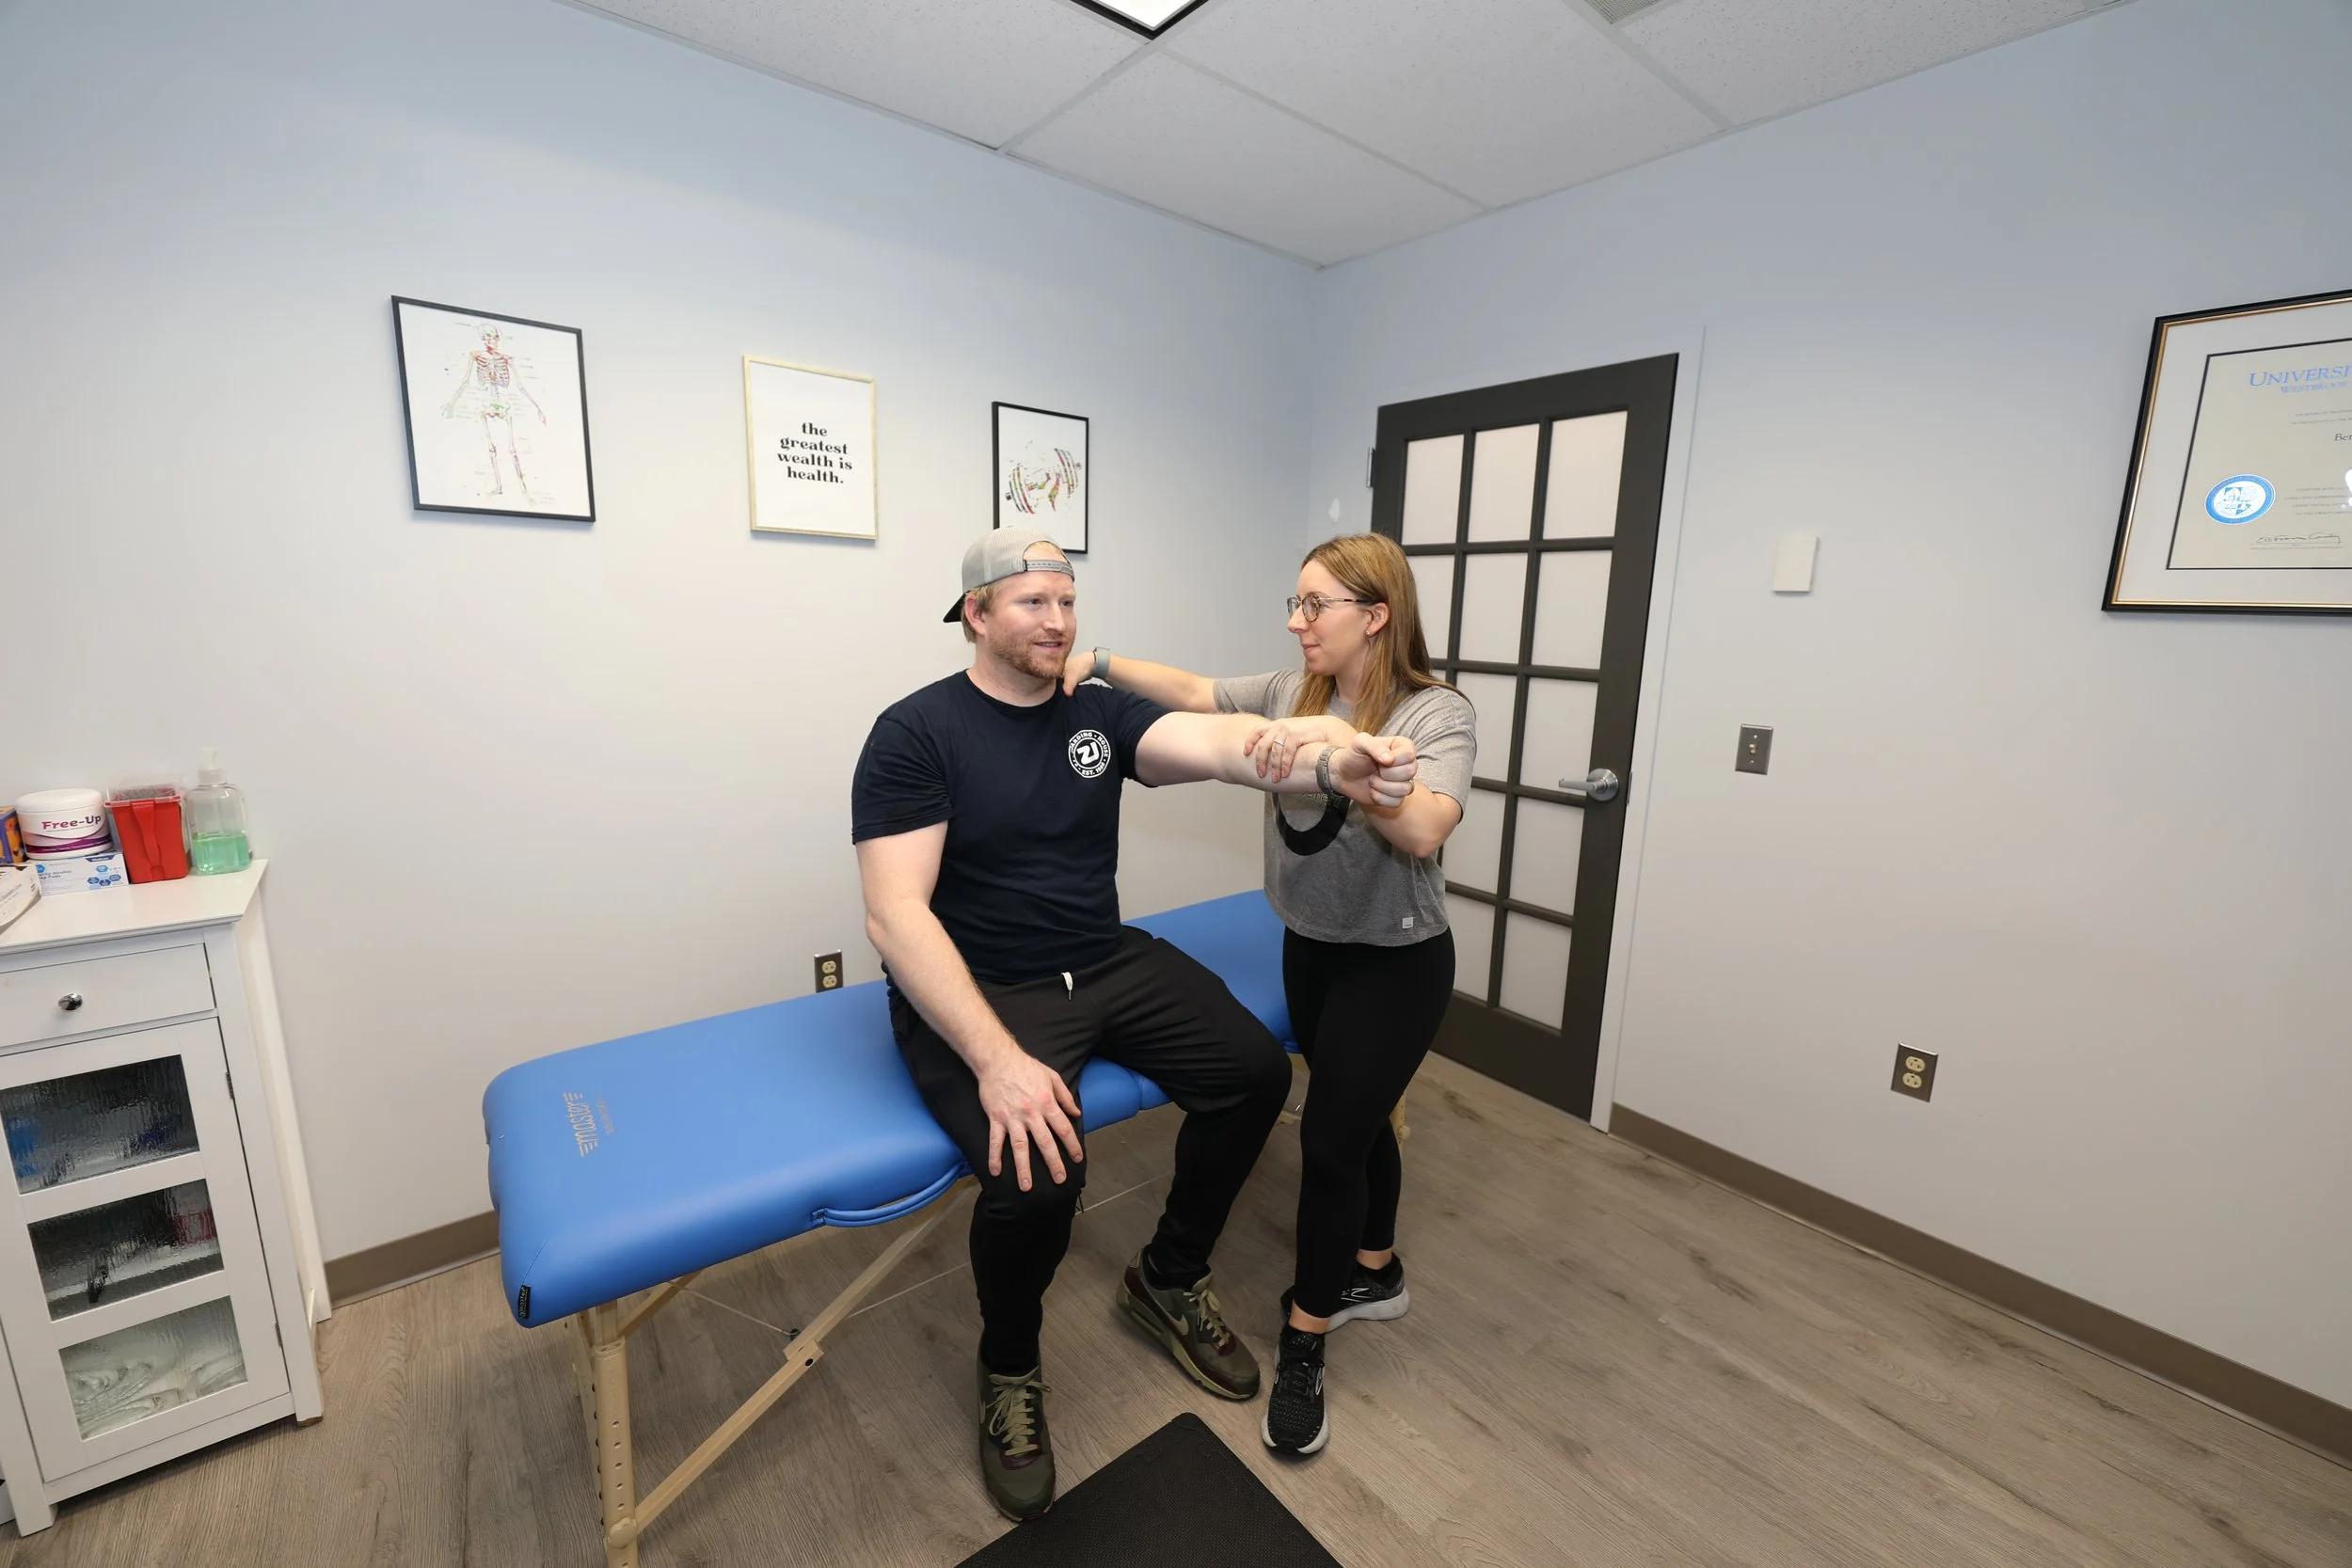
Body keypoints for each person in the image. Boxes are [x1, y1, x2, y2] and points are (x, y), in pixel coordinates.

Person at [851, 528, 1420, 1522]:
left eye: (1067, 600)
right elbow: (896, 914)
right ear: (976, 614)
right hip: (988, 984)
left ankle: (1167, 1273)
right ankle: (1009, 1363)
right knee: (1039, 1165)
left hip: (1104, 956)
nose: (1059, 620)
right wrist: (996, 1060)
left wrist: (1332, 760)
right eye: (1032, 601)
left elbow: (1218, 744)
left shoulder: (1097, 714)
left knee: (1252, 1072)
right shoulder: (915, 732)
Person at [1063, 531, 1473, 1457]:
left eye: (1312, 605)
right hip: (1310, 950)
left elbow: (1422, 831)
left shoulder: (1433, 712)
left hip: (1395, 961)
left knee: (1329, 1141)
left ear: (1372, 616)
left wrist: (1349, 758)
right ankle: (1377, 1264)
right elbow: (1193, 689)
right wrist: (1091, 662)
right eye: (1293, 604)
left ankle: (1304, 1340)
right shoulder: (1292, 694)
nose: (1294, 622)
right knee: (1362, 1123)